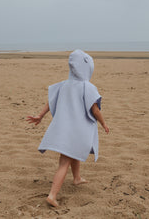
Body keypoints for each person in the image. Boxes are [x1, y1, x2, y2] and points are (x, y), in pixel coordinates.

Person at [26, 49, 109, 207]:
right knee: (64, 163)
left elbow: (50, 102)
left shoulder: (64, 85)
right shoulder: (87, 86)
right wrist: (103, 123)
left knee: (74, 153)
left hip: (65, 131)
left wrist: (40, 115)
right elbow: (95, 110)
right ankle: (52, 195)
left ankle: (77, 178)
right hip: (76, 131)